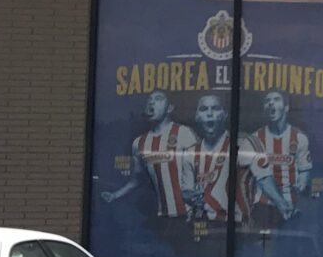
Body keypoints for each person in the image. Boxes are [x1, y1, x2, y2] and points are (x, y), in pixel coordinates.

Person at [101, 90, 199, 218]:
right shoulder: (139, 142)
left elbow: (200, 169)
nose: (151, 102)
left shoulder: (184, 133)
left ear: (169, 108)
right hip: (161, 217)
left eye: (158, 99)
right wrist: (115, 195)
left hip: (187, 215)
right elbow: (137, 179)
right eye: (149, 100)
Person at [241, 89, 312, 225]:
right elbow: (263, 179)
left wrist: (301, 186)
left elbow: (304, 172)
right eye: (267, 101)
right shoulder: (255, 140)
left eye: (276, 100)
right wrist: (283, 204)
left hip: (293, 208)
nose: (271, 104)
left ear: (286, 107)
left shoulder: (300, 138)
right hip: (264, 208)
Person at [184, 92, 240, 224]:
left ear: (225, 114)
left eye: (215, 108)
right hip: (200, 224)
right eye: (203, 109)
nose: (209, 113)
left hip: (232, 225)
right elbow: (186, 191)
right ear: (197, 116)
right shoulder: (190, 153)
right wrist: (193, 197)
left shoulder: (240, 147)